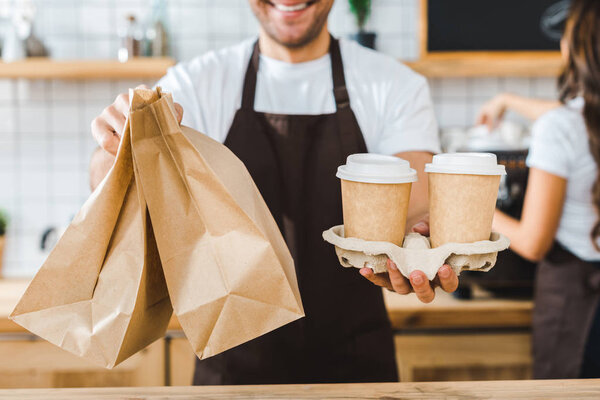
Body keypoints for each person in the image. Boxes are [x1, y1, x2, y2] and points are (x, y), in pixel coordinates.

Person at [91, 0, 458, 385]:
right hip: (233, 371)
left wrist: (419, 250)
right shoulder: (196, 85)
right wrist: (116, 142)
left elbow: (415, 201)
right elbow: (109, 185)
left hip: (357, 369)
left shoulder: (394, 85)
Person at [477, 0, 600, 379]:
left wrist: (467, 206)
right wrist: (507, 101)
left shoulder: (561, 128)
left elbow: (532, 243)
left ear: (573, 46)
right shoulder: (572, 123)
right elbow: (574, 117)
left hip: (578, 303)